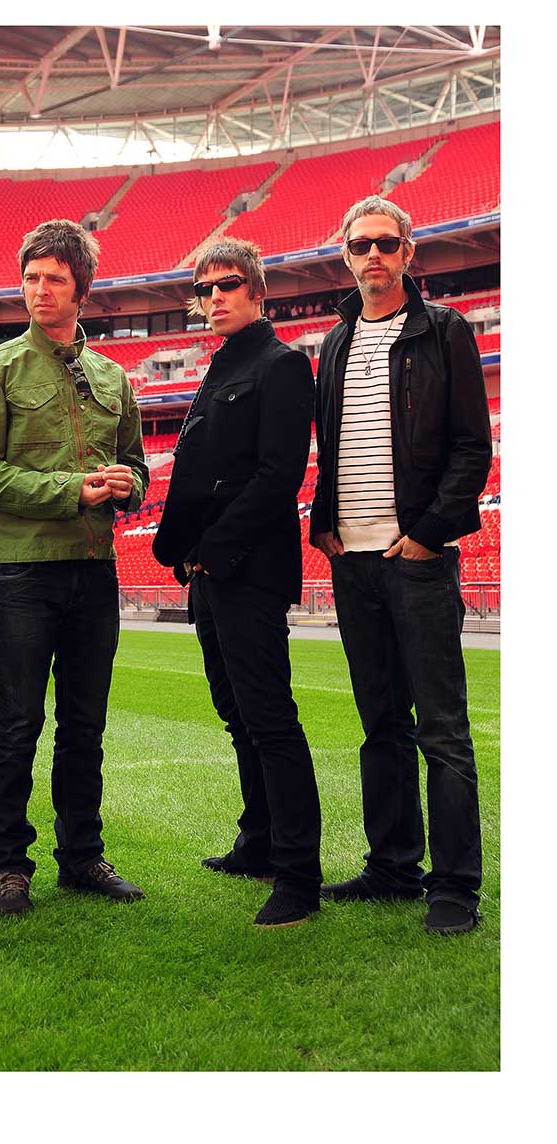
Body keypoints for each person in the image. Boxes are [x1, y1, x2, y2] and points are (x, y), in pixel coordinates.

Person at [310, 195, 492, 935]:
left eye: (386, 243)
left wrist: (423, 533)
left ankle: (453, 885)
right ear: (345, 255)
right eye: (360, 245)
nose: (373, 256)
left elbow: (470, 449)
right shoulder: (334, 341)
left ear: (408, 251)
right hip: (350, 560)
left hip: (414, 559)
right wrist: (325, 526)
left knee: (441, 729)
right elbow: (330, 448)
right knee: (379, 722)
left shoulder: (443, 331)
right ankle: (392, 865)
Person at [0, 219, 149, 916]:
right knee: (16, 723)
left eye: (54, 279)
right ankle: (8, 863)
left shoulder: (111, 375)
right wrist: (70, 490)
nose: (40, 289)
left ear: (81, 290)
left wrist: (130, 483)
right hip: (21, 571)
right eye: (31, 277)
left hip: (94, 569)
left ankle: (81, 856)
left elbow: (136, 463)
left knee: (84, 725)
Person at [152, 237, 322, 928]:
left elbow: (277, 476)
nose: (213, 296)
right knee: (237, 714)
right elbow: (197, 476)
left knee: (269, 717)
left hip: (245, 569)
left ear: (256, 292)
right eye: (203, 288)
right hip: (209, 570)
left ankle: (298, 873)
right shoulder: (220, 364)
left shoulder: (279, 364)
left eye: (226, 285)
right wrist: (181, 552)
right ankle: (257, 844)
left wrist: (210, 552)